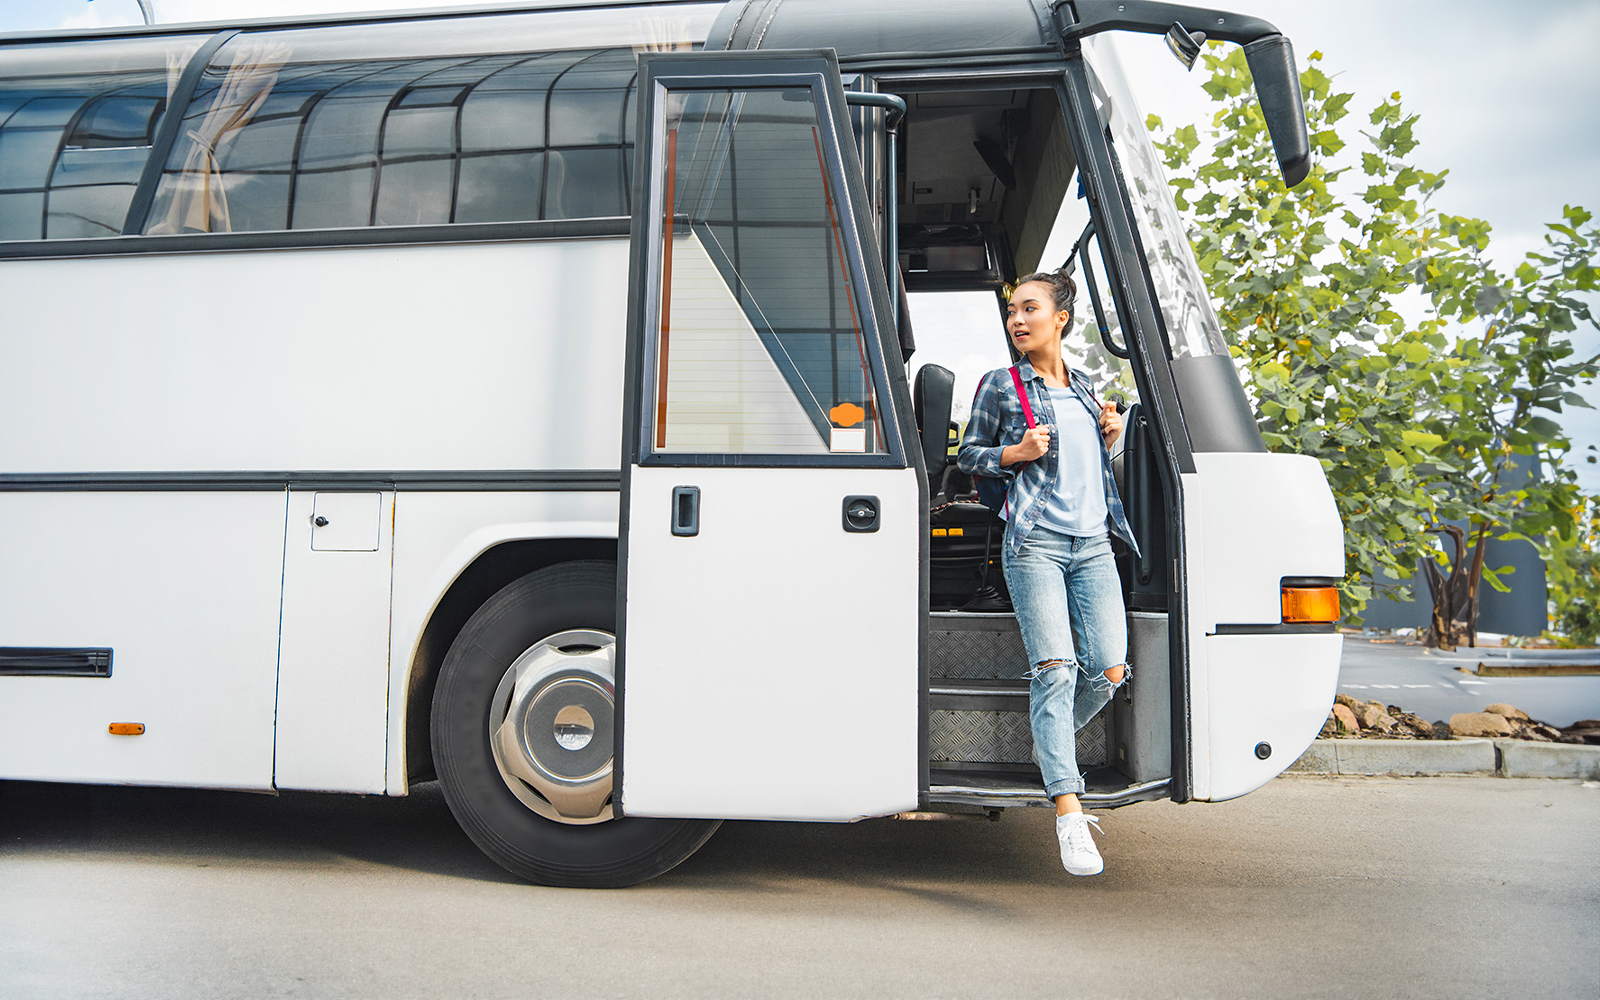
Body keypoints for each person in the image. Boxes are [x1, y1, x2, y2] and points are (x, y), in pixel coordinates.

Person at [956, 268, 1139, 876]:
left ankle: (1045, 738)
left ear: (1060, 318)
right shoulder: (1001, 385)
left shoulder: (1087, 389)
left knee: (1110, 670)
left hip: (1093, 546)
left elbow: (1095, 472)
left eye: (1028, 308)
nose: (1017, 319)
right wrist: (1016, 453)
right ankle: (1067, 808)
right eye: (1012, 310)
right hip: (1033, 542)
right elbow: (967, 456)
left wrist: (1110, 435)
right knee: (1056, 671)